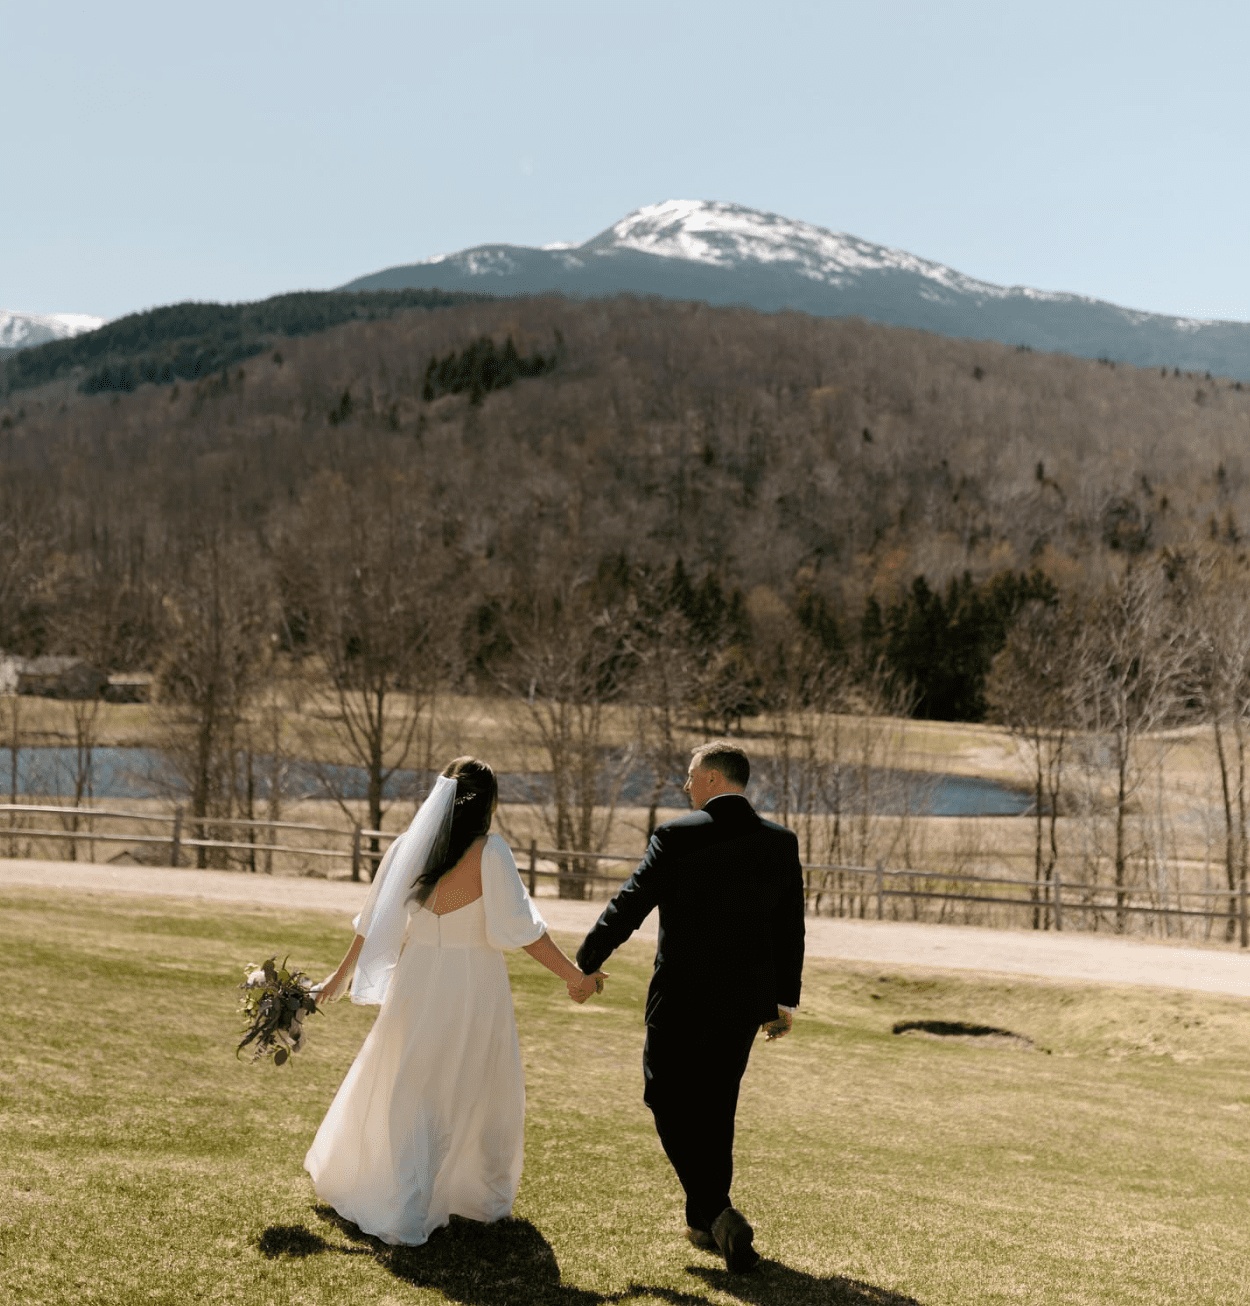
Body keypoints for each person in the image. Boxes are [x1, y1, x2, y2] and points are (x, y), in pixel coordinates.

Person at [305, 756, 605, 1246]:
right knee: (479, 1085)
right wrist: (577, 977)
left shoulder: (407, 848)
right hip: (473, 984)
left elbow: (373, 924)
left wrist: (338, 978)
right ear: (488, 803)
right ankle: (470, 1197)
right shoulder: (491, 852)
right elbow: (522, 931)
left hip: (417, 981)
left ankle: (410, 1199)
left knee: (414, 1086)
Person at [575, 741, 805, 1273]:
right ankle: (703, 1224)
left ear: (713, 781)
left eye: (691, 775)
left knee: (663, 1093)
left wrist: (587, 960)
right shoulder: (779, 842)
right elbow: (788, 927)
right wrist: (780, 1001)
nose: (686, 786)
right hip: (745, 1003)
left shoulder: (676, 835)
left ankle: (718, 1212)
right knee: (715, 1106)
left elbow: (630, 903)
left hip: (680, 996)